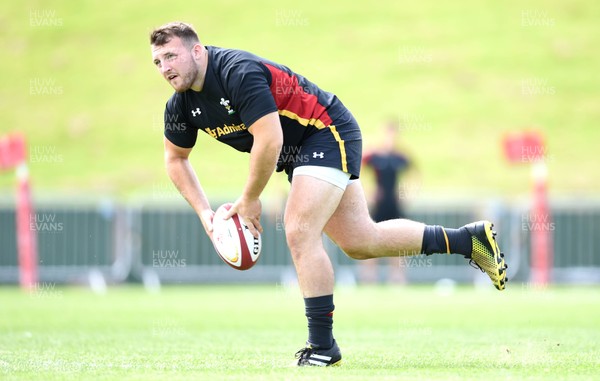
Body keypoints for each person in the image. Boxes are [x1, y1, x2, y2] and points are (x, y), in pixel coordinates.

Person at [149, 22, 507, 367]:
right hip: (299, 153)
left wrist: (250, 198)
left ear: (197, 50)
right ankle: (467, 240)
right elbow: (175, 159)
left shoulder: (237, 72)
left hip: (325, 129)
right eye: (157, 61)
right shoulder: (180, 106)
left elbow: (270, 140)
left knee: (299, 230)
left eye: (171, 56)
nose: (164, 68)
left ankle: (322, 347)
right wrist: (205, 214)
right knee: (360, 241)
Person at [361, 120, 413, 284]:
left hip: (394, 204)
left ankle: (397, 277)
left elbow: (415, 173)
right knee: (371, 238)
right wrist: (368, 191)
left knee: (397, 240)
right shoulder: (374, 156)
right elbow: (357, 169)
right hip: (378, 204)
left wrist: (408, 194)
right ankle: (369, 277)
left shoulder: (400, 157)